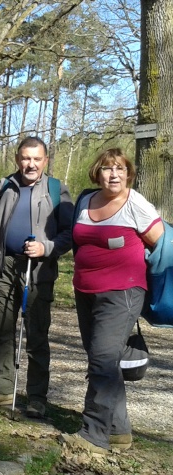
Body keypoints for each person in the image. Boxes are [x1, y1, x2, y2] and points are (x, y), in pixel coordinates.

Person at [60, 149, 163, 453]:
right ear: (98, 172)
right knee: (102, 359)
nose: (114, 174)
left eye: (120, 169)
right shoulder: (86, 200)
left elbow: (162, 245)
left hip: (124, 293)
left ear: (128, 173)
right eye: (107, 168)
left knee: (103, 359)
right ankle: (119, 432)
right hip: (85, 291)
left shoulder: (136, 204)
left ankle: (93, 434)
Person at [0, 136, 73, 419]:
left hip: (39, 270)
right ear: (17, 159)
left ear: (45, 160)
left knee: (36, 335)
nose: (30, 164)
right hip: (6, 266)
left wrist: (46, 247)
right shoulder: (5, 186)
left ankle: (36, 397)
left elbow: (70, 233)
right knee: (2, 329)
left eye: (36, 158)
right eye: (25, 158)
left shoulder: (57, 189)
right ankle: (3, 390)